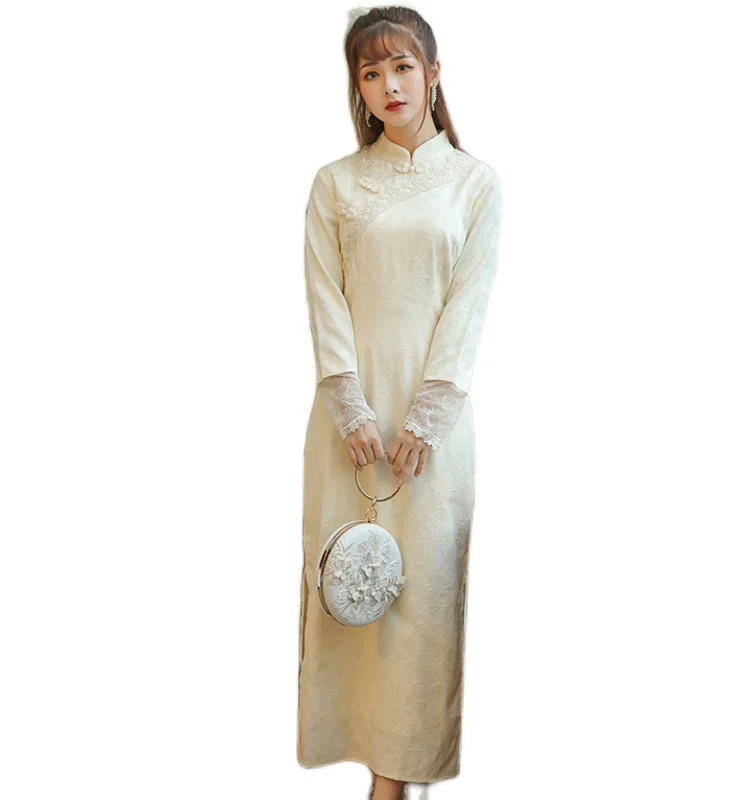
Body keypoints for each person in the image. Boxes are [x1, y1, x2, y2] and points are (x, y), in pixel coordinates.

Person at [297, 6, 503, 799]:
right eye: (371, 72)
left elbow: (467, 307)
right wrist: (350, 407)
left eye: (403, 66)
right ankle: (364, 756)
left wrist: (429, 416)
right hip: (348, 427)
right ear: (358, 86)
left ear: (434, 73)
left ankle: (394, 782)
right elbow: (325, 298)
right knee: (350, 585)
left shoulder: (475, 185)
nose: (389, 84)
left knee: (422, 602)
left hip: (432, 434)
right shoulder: (335, 184)